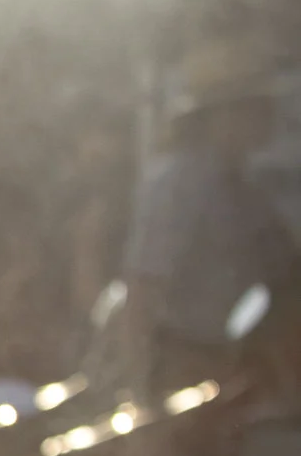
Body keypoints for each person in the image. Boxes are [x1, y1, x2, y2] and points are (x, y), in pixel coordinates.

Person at [117, 39, 293, 399]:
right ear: (221, 115)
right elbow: (144, 290)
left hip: (232, 367)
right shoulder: (177, 184)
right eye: (254, 107)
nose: (267, 116)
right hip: (181, 365)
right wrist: (139, 389)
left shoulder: (245, 188)